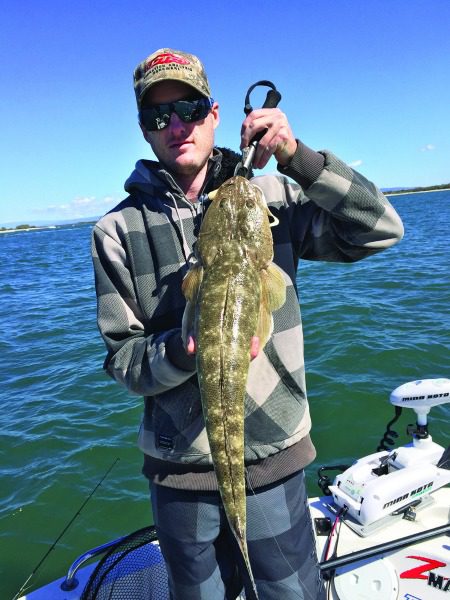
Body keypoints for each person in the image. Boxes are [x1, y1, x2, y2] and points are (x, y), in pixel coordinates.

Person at [91, 48, 404, 600]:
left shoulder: (274, 197)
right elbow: (122, 358)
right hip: (178, 473)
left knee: (289, 592)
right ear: (143, 130)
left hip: (273, 460)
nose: (176, 125)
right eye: (157, 116)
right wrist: (183, 353)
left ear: (213, 113)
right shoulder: (116, 231)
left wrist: (297, 157)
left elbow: (379, 228)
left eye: (186, 107)